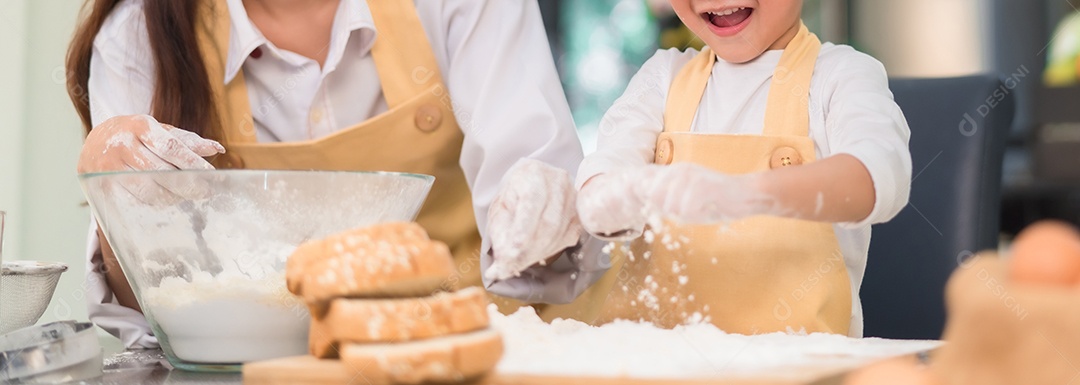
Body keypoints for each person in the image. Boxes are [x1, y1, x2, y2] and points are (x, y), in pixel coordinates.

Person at [68, 0, 604, 348]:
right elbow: (154, 309)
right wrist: (114, 198)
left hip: (470, 353)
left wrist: (543, 215)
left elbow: (538, 211)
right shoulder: (137, 36)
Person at [543, 0, 912, 337]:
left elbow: (878, 175)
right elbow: (608, 168)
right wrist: (578, 207)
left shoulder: (840, 76)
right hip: (659, 364)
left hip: (798, 365)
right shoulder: (663, 78)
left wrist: (744, 194)